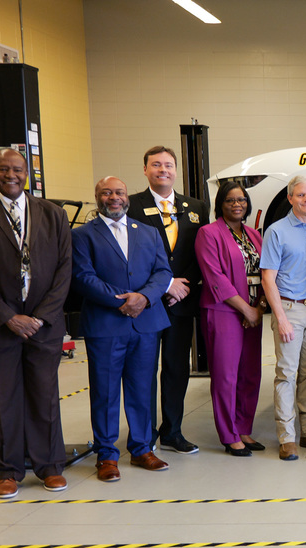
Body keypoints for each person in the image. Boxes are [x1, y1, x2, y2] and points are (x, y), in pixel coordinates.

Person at [72, 177, 172, 482]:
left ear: (127, 197)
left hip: (145, 324)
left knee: (142, 389)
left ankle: (142, 448)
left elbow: (163, 271)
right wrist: (121, 302)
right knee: (105, 392)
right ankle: (106, 455)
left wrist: (143, 297)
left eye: (119, 192)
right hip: (105, 325)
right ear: (97, 197)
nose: (114, 197)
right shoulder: (83, 235)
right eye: (107, 192)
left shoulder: (149, 233)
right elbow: (83, 276)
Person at [0, 148, 72, 498]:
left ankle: (49, 466)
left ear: (27, 173)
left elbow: (64, 270)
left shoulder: (53, 214)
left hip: (44, 325)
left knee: (45, 396)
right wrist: (8, 317)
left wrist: (41, 317)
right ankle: (8, 469)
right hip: (3, 325)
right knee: (4, 398)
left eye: (17, 169)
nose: (10, 175)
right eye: (3, 169)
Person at [128, 146, 209, 455]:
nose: (163, 169)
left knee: (176, 368)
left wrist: (183, 285)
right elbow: (131, 255)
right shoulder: (133, 205)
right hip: (149, 302)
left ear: (176, 170)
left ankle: (172, 432)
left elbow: (200, 250)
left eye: (169, 165)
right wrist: (164, 284)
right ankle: (144, 434)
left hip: (182, 302)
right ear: (146, 169)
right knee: (144, 370)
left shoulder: (196, 206)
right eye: (156, 165)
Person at [260, 175, 306, 461]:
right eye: (301, 195)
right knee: (286, 374)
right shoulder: (276, 232)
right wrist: (281, 318)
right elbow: (268, 279)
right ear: (290, 198)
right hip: (288, 308)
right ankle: (287, 437)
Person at [194, 182, 266, 457]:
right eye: (230, 200)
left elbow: (266, 271)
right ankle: (228, 433)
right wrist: (245, 309)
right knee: (226, 375)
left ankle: (243, 427)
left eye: (241, 200)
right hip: (223, 311)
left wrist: (258, 306)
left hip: (253, 310)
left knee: (250, 373)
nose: (237, 204)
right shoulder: (208, 233)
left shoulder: (253, 235)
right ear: (220, 204)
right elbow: (215, 277)